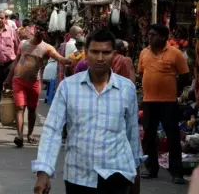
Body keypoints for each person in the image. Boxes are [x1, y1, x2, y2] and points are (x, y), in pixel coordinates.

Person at [33, 29, 142, 194]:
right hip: (78, 176)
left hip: (117, 174)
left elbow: (132, 134)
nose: (100, 58)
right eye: (95, 52)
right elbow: (52, 130)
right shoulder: (68, 87)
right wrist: (43, 171)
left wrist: (136, 175)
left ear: (113, 54)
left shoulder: (127, 89)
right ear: (85, 53)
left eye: (105, 52)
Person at [5, 21, 70, 147]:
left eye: (42, 31)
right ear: (34, 30)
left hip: (34, 82)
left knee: (32, 109)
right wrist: (8, 78)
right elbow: (15, 62)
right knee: (20, 108)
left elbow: (60, 59)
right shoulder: (23, 44)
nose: (39, 32)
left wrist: (74, 59)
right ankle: (19, 136)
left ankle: (29, 134)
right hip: (18, 80)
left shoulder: (47, 48)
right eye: (38, 30)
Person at [139, 23, 189, 184]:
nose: (150, 37)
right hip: (148, 102)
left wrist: (174, 91)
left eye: (153, 34)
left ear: (163, 37)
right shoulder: (144, 53)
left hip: (168, 102)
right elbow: (141, 73)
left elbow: (184, 76)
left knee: (173, 137)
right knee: (148, 137)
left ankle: (177, 173)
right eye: (149, 34)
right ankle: (151, 168)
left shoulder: (175, 53)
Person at [0, 10, 20, 127]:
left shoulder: (12, 31)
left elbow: (17, 48)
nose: (0, 20)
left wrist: (17, 64)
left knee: (11, 91)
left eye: (2, 18)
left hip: (9, 65)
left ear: (5, 19)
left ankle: (13, 118)